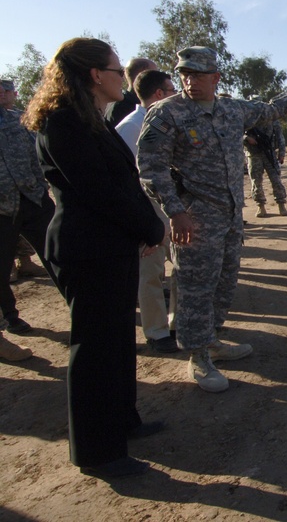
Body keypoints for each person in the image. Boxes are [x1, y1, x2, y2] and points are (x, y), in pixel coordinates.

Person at [138, 46, 287, 393]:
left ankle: (211, 341)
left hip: (230, 215)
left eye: (198, 74)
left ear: (215, 77)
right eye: (185, 74)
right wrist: (175, 211)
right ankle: (197, 358)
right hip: (195, 218)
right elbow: (150, 169)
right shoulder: (167, 113)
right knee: (196, 287)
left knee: (225, 283)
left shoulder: (231, 108)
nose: (190, 81)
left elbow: (272, 110)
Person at [25, 37, 166, 478]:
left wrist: (144, 228)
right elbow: (99, 190)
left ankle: (123, 422)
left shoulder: (92, 117)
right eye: (116, 68)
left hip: (109, 245)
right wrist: (148, 227)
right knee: (94, 350)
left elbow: (125, 182)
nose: (122, 75)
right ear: (94, 75)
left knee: (117, 340)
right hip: (86, 248)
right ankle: (97, 452)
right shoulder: (63, 121)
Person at [115, 69, 179, 354]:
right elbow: (126, 180)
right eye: (171, 88)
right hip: (149, 208)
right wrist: (142, 224)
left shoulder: (171, 119)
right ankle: (156, 331)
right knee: (151, 273)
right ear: (158, 94)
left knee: (183, 268)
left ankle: (179, 323)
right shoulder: (130, 128)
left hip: (175, 205)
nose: (177, 92)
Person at [0, 78, 57, 358]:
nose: (2, 93)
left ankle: (81, 304)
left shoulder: (18, 119)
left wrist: (40, 186)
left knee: (58, 253)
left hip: (33, 200)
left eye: (5, 88)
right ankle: (9, 319)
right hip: (2, 209)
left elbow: (37, 152)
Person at [243, 97, 287, 218]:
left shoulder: (271, 119)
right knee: (256, 181)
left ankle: (281, 204)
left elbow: (280, 137)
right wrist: (246, 138)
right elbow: (235, 133)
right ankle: (260, 206)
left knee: (276, 180)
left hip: (269, 153)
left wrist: (282, 153)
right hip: (253, 154)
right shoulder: (246, 120)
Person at [104, 57, 156, 127]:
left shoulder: (116, 102)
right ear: (143, 73)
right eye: (155, 73)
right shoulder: (124, 106)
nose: (158, 78)